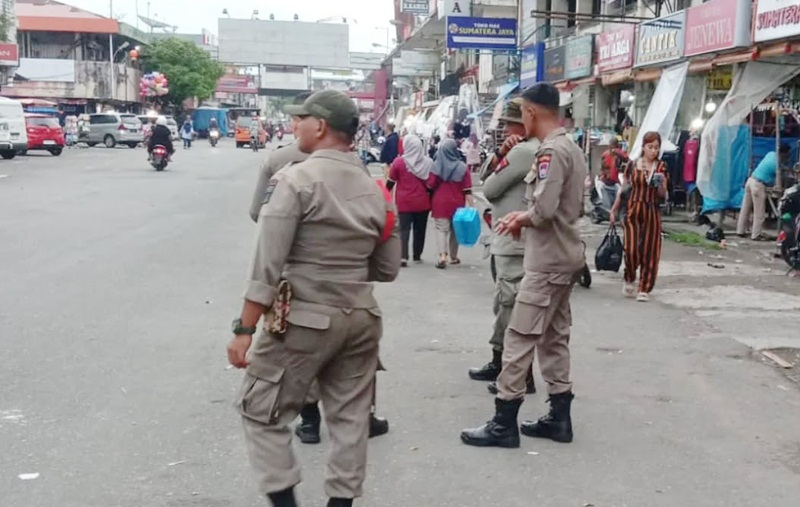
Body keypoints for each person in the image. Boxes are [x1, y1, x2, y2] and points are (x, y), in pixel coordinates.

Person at [229, 89, 401, 507]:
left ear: (320, 126)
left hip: (304, 318)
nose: (293, 126)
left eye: (299, 119)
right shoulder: (377, 189)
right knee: (350, 418)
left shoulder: (293, 179)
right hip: (360, 317)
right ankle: (340, 503)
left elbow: (265, 266)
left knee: (259, 408)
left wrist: (244, 329)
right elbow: (387, 268)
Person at [460, 82, 587, 448]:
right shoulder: (572, 147)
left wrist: (520, 218)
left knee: (519, 338)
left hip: (547, 262)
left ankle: (504, 420)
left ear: (531, 113)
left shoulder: (550, 152)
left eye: (522, 114)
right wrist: (526, 216)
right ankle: (559, 418)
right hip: (566, 256)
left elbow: (545, 210)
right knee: (554, 337)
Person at [469, 97, 539, 395]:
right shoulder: (523, 150)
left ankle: (515, 372)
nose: (504, 130)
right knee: (506, 305)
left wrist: (504, 154)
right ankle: (501, 364)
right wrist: (499, 153)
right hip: (514, 239)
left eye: (508, 124)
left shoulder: (524, 151)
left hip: (514, 241)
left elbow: (489, 186)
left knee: (509, 307)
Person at [610, 131, 668, 302]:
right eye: (650, 147)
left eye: (656, 148)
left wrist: (662, 183)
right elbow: (624, 188)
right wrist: (614, 210)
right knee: (631, 248)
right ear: (643, 147)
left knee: (650, 250)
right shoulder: (633, 165)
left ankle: (644, 287)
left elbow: (663, 195)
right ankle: (629, 277)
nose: (653, 151)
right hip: (633, 209)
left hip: (652, 209)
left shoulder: (661, 167)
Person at [427, 139, 474, 269]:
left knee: (442, 229)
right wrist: (472, 206)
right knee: (455, 230)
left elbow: (430, 185)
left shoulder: (436, 166)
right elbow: (467, 190)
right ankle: (453, 256)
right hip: (457, 203)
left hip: (439, 202)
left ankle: (442, 256)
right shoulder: (463, 167)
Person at [387, 134, 433, 266]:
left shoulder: (399, 162)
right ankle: (417, 255)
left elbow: (390, 182)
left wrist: (384, 195)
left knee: (403, 229)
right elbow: (431, 183)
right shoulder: (427, 162)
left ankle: (403, 256)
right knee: (420, 229)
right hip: (422, 202)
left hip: (404, 202)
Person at [737, 144, 790, 241]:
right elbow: (779, 178)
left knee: (745, 209)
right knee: (759, 212)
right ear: (784, 154)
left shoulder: (771, 154)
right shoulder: (776, 165)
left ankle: (740, 230)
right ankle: (756, 234)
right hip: (758, 185)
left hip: (750, 181)